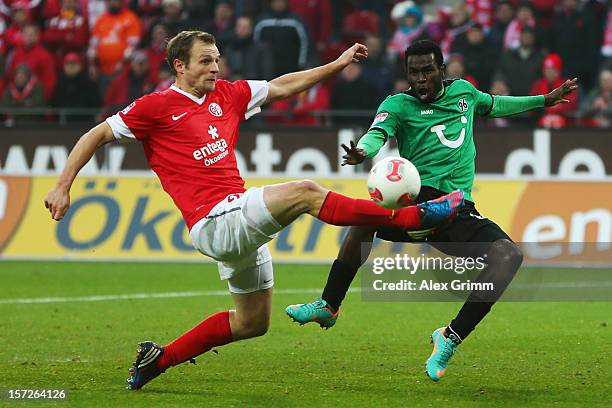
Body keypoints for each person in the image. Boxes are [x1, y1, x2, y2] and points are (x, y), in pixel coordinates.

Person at [43, 31, 465, 391]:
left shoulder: (227, 95)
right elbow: (95, 135)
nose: (215, 68)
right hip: (213, 221)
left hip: (237, 221)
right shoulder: (154, 107)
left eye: (217, 60)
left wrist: (336, 64)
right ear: (179, 65)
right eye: (205, 61)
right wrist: (63, 186)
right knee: (303, 191)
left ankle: (158, 360)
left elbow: (285, 85)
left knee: (252, 322)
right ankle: (411, 217)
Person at [286, 40, 578, 383]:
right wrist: (363, 152)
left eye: (427, 71)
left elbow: (496, 104)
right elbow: (378, 131)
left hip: (456, 209)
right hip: (416, 205)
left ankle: (449, 337)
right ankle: (329, 305)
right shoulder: (398, 104)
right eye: (414, 73)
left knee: (508, 256)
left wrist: (544, 100)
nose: (421, 79)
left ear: (442, 70)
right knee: (362, 221)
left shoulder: (465, 94)